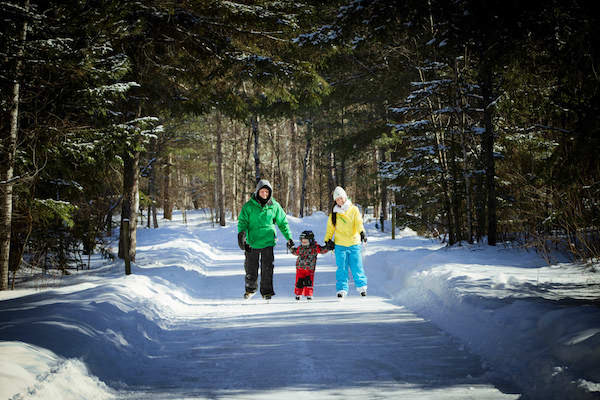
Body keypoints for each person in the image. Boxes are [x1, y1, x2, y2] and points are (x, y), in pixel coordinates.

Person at [237, 179, 294, 300]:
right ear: (257, 192)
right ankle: (250, 289)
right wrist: (242, 236)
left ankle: (266, 291)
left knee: (267, 268)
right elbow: (242, 222)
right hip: (252, 242)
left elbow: (283, 222)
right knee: (250, 267)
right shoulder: (249, 206)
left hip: (268, 241)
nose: (264, 194)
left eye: (267, 192)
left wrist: (289, 238)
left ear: (270, 193)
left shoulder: (274, 206)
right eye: (262, 191)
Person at [324, 186, 368, 298]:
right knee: (342, 268)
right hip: (340, 245)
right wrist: (327, 240)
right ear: (335, 201)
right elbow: (330, 228)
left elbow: (358, 222)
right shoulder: (334, 213)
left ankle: (362, 287)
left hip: (354, 243)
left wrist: (362, 232)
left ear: (345, 197)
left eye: (341, 198)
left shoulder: (354, 209)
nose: (340, 200)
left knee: (356, 266)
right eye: (337, 199)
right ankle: (342, 289)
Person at [289, 230, 330, 301]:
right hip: (300, 268)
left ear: (310, 240)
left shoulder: (315, 247)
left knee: (309, 282)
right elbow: (295, 252)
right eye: (302, 240)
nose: (303, 242)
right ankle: (298, 294)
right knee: (299, 282)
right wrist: (291, 247)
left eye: (305, 240)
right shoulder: (300, 248)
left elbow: (322, 250)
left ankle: (309, 294)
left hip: (310, 269)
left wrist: (328, 247)